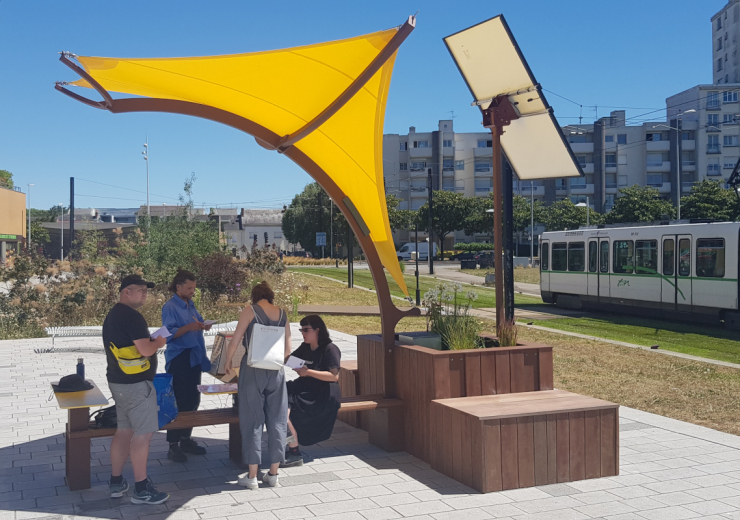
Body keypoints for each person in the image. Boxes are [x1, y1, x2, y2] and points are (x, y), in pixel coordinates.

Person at [103, 274, 169, 505]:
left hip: (118, 382)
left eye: (146, 290)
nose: (144, 294)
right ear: (125, 292)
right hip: (137, 386)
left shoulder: (113, 315)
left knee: (124, 431)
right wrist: (158, 342)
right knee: (143, 435)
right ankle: (141, 488)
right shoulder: (132, 317)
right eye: (139, 289)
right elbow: (146, 350)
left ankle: (116, 481)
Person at [225, 281, 291, 489]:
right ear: (270, 296)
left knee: (252, 418)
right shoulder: (282, 313)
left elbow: (235, 340)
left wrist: (227, 362)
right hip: (276, 370)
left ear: (254, 297)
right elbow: (288, 349)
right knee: (278, 419)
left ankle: (252, 476)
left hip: (253, 368)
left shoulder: (249, 310)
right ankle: (273, 473)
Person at [162, 269, 212, 463]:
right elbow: (167, 334)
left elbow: (196, 322)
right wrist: (190, 327)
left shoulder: (190, 304)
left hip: (194, 356)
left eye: (194, 288)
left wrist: (202, 325)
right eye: (189, 288)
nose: (193, 291)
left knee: (193, 399)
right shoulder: (170, 307)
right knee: (179, 400)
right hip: (180, 357)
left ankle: (185, 438)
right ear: (178, 286)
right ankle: (172, 444)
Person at [284, 315, 341, 467]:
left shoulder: (330, 349)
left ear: (318, 330)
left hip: (321, 395)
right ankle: (290, 443)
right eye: (301, 329)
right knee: (277, 399)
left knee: (283, 412)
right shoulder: (305, 347)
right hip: (304, 387)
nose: (303, 333)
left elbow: (334, 376)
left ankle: (294, 451)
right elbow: (288, 360)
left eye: (306, 329)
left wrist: (307, 372)